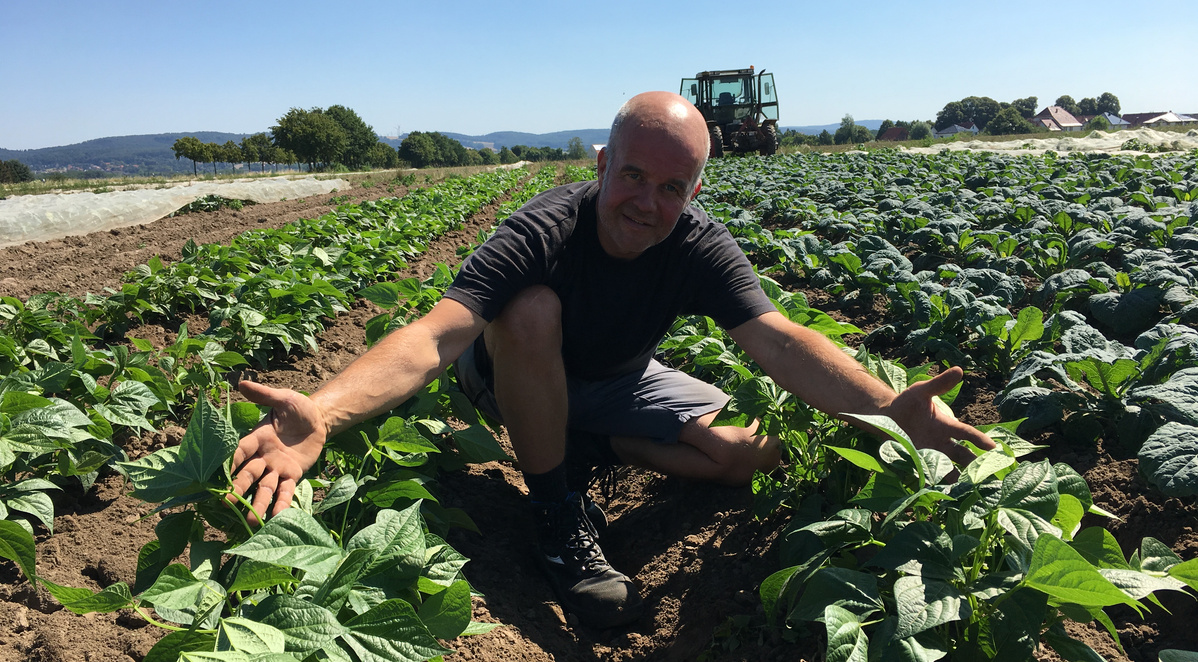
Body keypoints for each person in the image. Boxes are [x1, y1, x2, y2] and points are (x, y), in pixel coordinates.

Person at [229, 91, 996, 629]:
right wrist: (322, 411)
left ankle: (594, 445)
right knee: (531, 308)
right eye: (632, 176)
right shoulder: (546, 230)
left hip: (618, 382)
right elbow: (438, 335)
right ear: (602, 164)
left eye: (671, 187)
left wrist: (885, 406)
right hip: (514, 373)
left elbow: (776, 338)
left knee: (746, 456)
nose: (647, 202)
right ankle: (556, 510)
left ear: (695, 189)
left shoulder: (696, 245)